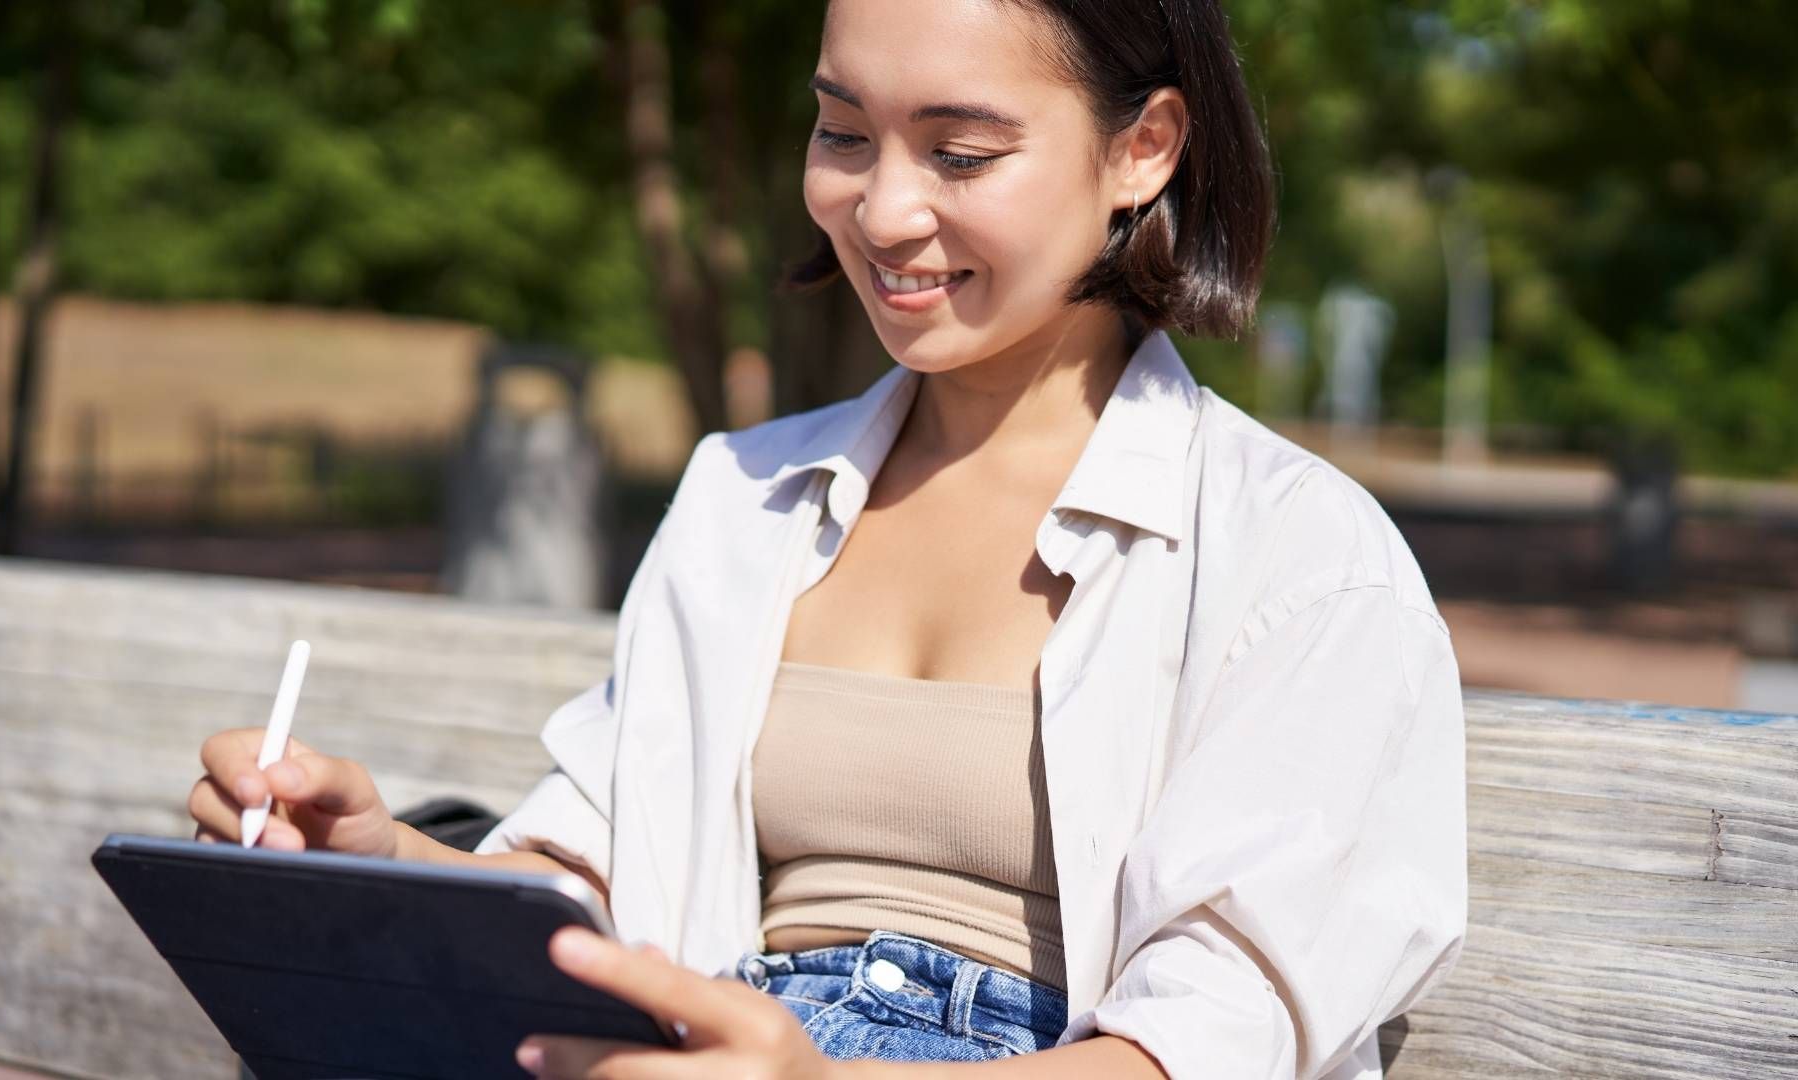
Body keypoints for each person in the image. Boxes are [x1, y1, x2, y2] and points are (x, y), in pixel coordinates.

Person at [186, 0, 1468, 1076]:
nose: (880, 209)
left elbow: (1207, 1044)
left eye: (960, 153)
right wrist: (382, 864)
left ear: (1144, 148)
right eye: (843, 132)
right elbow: (599, 873)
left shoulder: (1297, 559)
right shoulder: (743, 495)